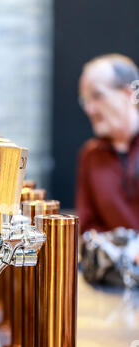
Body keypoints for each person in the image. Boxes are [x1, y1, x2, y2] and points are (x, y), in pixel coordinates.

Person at [76, 54, 139, 236]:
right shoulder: (90, 155)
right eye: (85, 100)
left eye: (97, 95)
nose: (89, 109)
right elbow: (88, 226)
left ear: (129, 94)